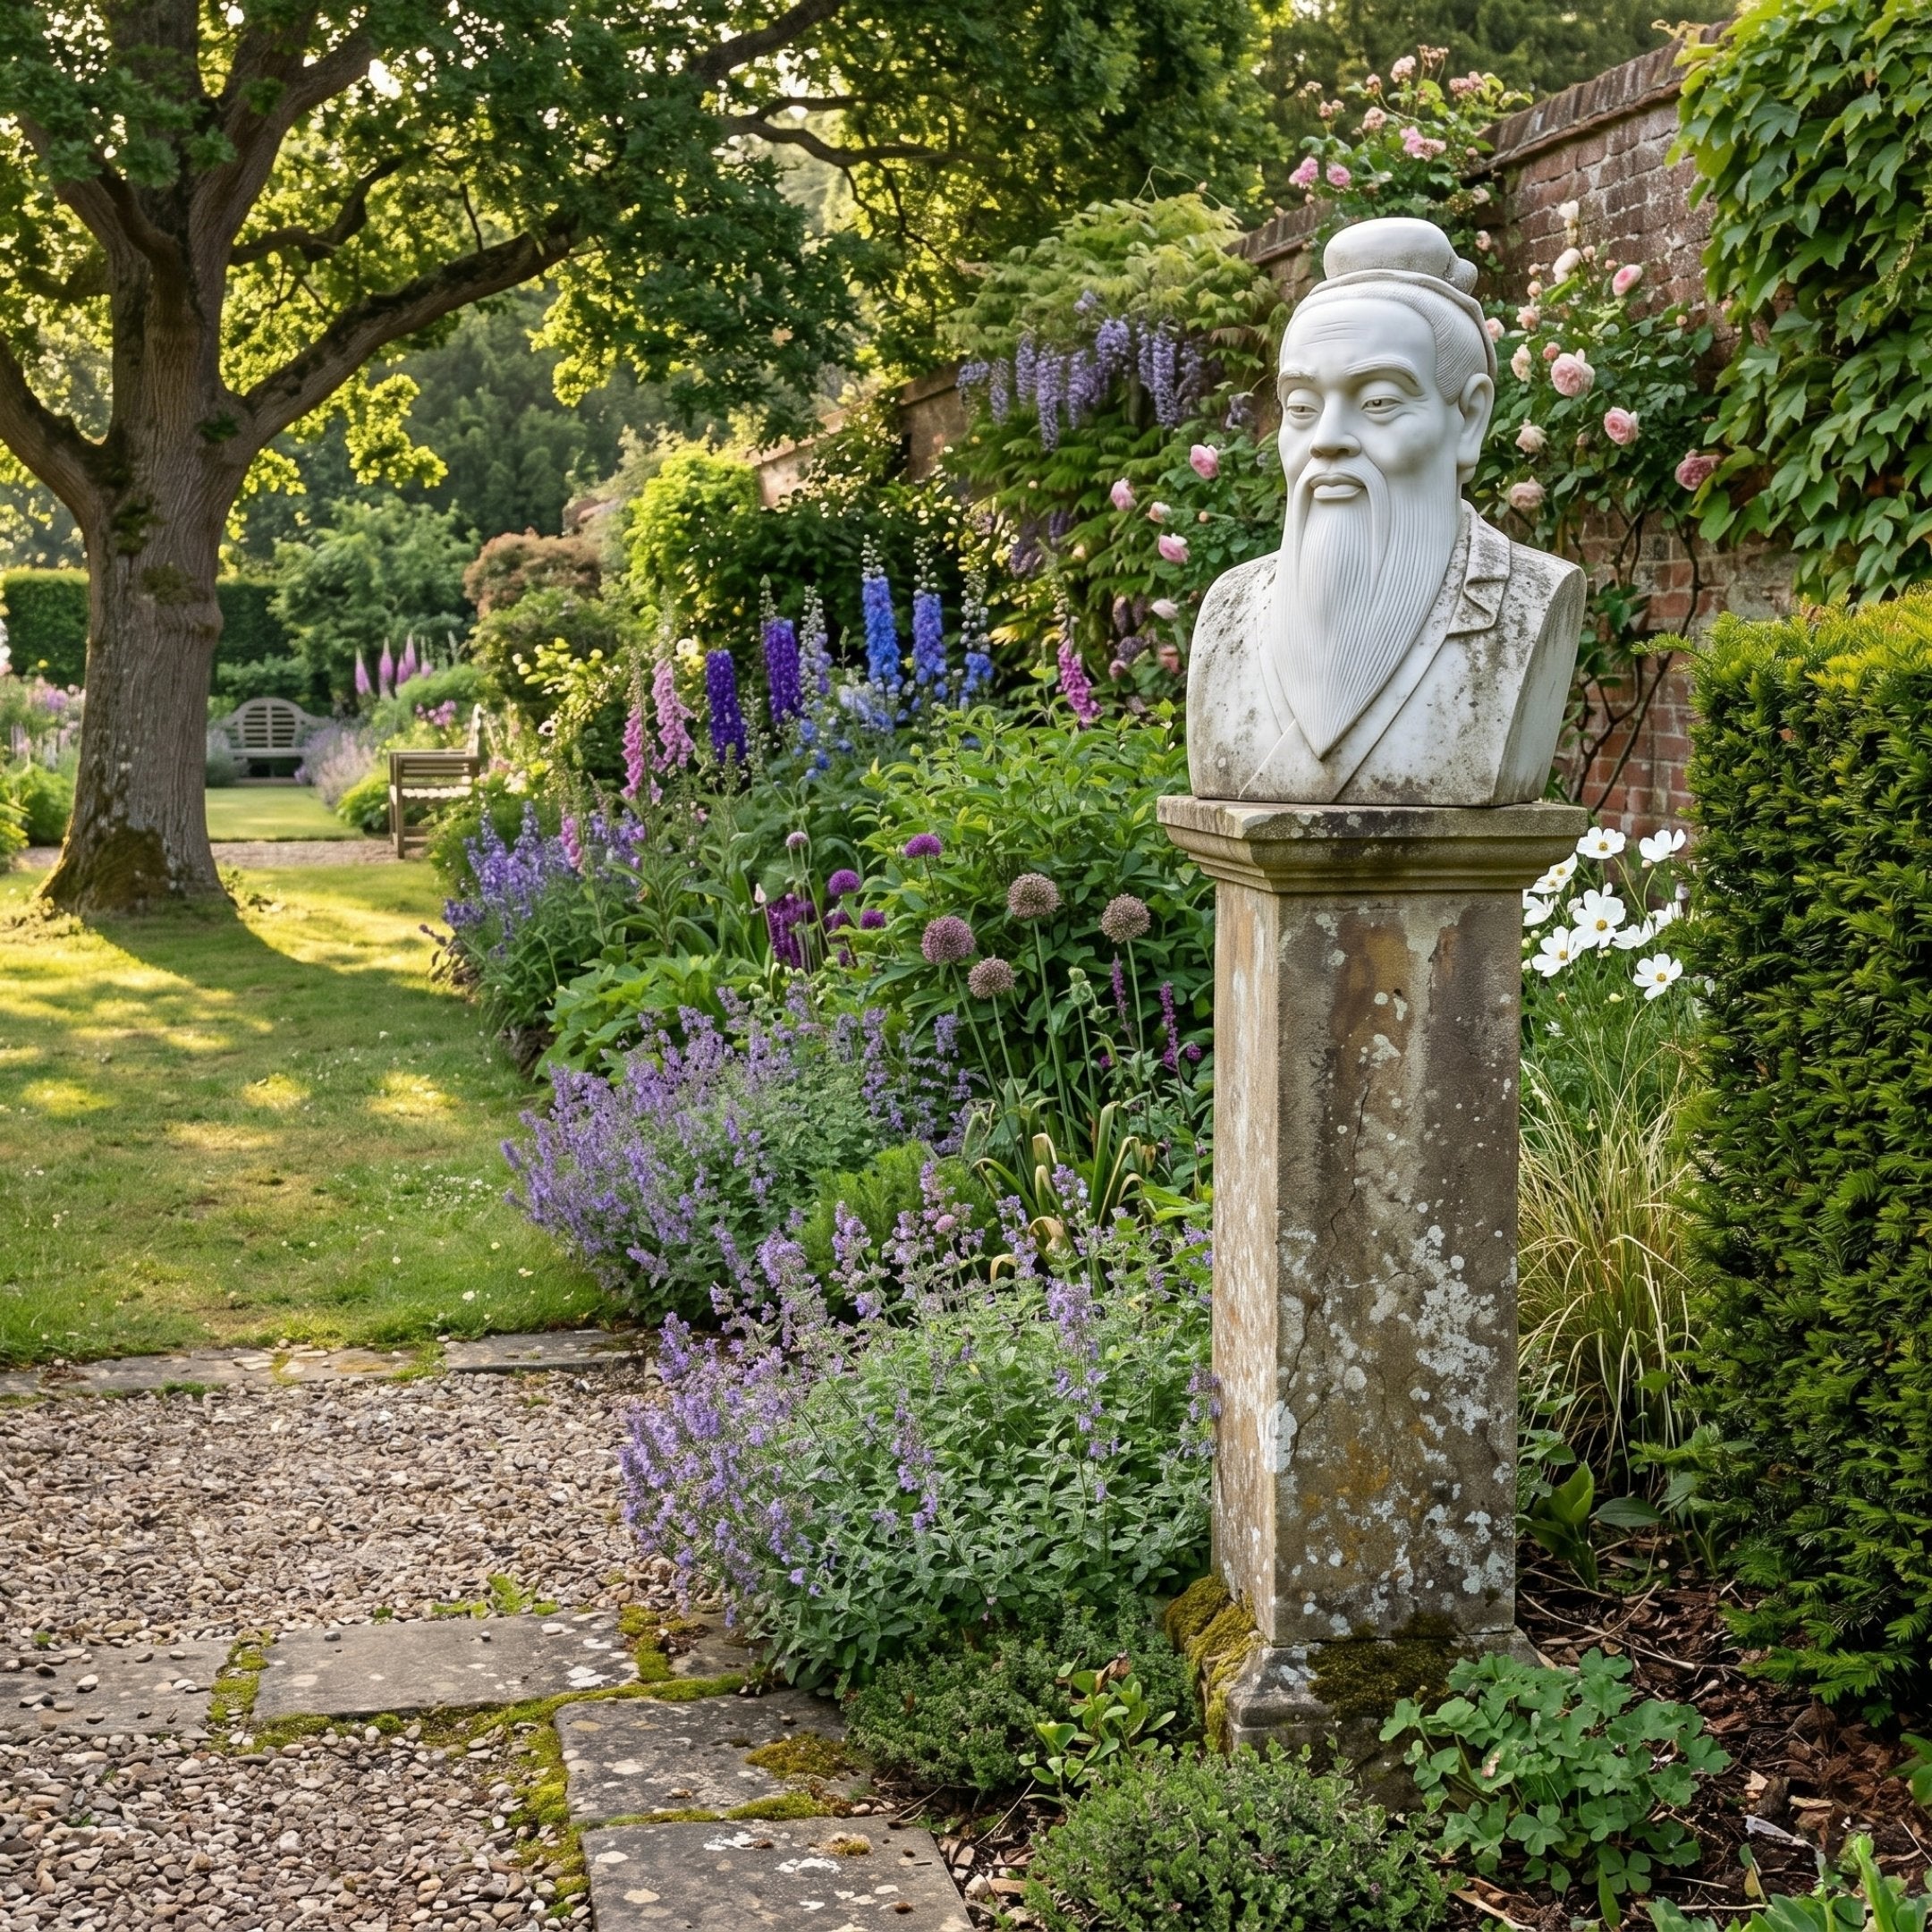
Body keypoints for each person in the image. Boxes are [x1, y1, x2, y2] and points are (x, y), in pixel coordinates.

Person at [1186, 216, 1583, 806]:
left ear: (1468, 418)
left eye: (1377, 401)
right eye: (1301, 406)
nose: (1328, 439)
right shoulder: (1230, 612)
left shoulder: (1528, 601)